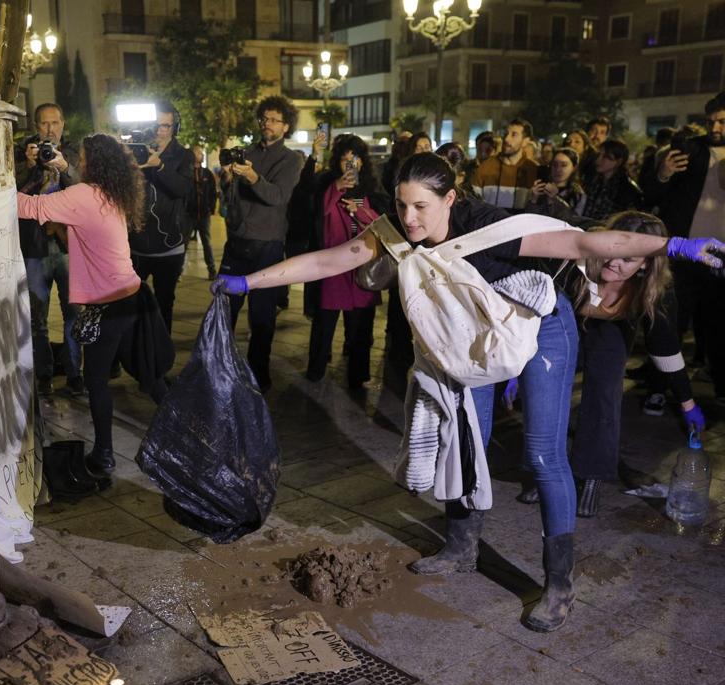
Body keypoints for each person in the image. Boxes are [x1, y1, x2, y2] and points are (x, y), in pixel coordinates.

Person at [212, 151, 724, 632]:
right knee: (467, 437)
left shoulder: (489, 227)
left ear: (450, 199)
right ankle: (462, 547)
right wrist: (247, 283)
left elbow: (586, 243)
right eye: (401, 204)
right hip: (471, 338)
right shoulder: (396, 232)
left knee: (543, 454)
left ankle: (559, 583)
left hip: (538, 327)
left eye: (421, 207)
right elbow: (328, 261)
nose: (409, 218)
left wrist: (674, 245)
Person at [17, 134, 167, 475]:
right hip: (133, 296)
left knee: (96, 380)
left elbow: (25, 207)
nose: (78, 160)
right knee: (150, 377)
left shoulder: (82, 195)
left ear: (92, 162)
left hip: (110, 304)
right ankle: (187, 432)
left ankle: (103, 454)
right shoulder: (111, 192)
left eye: (81, 156)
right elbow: (83, 224)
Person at [565, 212, 705, 517]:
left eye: (627, 260)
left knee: (605, 388)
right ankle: (547, 469)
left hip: (612, 330)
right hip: (566, 320)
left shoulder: (655, 291)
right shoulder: (578, 260)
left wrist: (687, 402)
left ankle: (591, 475)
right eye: (611, 253)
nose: (614, 264)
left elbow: (665, 350)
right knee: (549, 381)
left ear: (645, 264)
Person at [643, 93, 725, 405]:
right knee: (669, 323)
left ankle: (720, 390)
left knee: (719, 328)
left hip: (721, 259)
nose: (714, 126)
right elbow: (651, 193)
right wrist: (662, 173)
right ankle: (658, 388)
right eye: (711, 120)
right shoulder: (690, 149)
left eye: (722, 121)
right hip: (684, 253)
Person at [219, 95, 304, 392]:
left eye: (273, 120)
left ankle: (258, 374)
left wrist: (253, 176)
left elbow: (277, 197)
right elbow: (231, 197)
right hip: (237, 240)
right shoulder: (247, 152)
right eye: (263, 119)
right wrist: (228, 179)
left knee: (262, 314)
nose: (267, 124)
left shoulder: (292, 160)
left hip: (267, 244)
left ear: (286, 126)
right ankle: (220, 368)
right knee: (224, 308)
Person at [302, 134, 391, 387]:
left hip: (362, 268)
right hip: (333, 267)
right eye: (345, 160)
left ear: (363, 162)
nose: (350, 165)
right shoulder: (327, 185)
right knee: (324, 323)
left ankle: (359, 374)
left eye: (355, 159)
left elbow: (382, 222)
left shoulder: (372, 189)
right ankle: (316, 369)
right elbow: (318, 210)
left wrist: (360, 209)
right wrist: (336, 187)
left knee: (361, 327)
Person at [18, 103, 82, 396]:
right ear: (36, 126)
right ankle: (43, 375)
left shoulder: (73, 154)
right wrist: (31, 168)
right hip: (35, 247)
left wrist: (64, 168)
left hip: (68, 245)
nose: (50, 129)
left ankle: (74, 374)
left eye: (55, 123)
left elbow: (84, 190)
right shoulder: (22, 155)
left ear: (63, 124)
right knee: (37, 317)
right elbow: (13, 193)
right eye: (44, 124)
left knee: (74, 314)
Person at [129, 102, 194, 333]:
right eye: (156, 125)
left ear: (174, 128)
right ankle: (136, 352)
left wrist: (160, 166)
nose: (160, 131)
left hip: (169, 245)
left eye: (166, 126)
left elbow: (183, 189)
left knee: (164, 304)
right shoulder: (137, 149)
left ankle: (162, 358)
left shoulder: (184, 155)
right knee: (130, 303)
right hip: (137, 242)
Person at [470, 117, 539, 209]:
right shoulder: (486, 167)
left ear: (525, 141)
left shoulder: (533, 170)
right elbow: (473, 204)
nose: (506, 139)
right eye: (506, 134)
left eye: (514, 135)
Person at [583, 139, 642, 220]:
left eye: (606, 157)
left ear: (619, 161)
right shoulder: (593, 180)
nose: (598, 159)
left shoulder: (627, 190)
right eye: (598, 154)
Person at [526, 147, 587, 221]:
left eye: (564, 165)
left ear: (573, 168)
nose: (558, 169)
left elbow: (573, 220)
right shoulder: (542, 188)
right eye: (555, 165)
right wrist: (533, 199)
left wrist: (555, 199)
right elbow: (530, 218)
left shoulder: (578, 194)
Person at [188, 145, 219, 279]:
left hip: (204, 215)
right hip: (188, 214)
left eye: (201, 153)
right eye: (199, 153)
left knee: (207, 242)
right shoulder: (187, 172)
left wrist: (211, 208)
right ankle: (177, 272)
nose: (201, 155)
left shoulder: (207, 173)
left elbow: (213, 192)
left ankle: (211, 270)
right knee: (183, 243)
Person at [580, 115, 612, 187]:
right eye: (594, 131)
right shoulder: (579, 153)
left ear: (606, 137)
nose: (597, 136)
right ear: (587, 132)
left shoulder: (606, 160)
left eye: (602, 132)